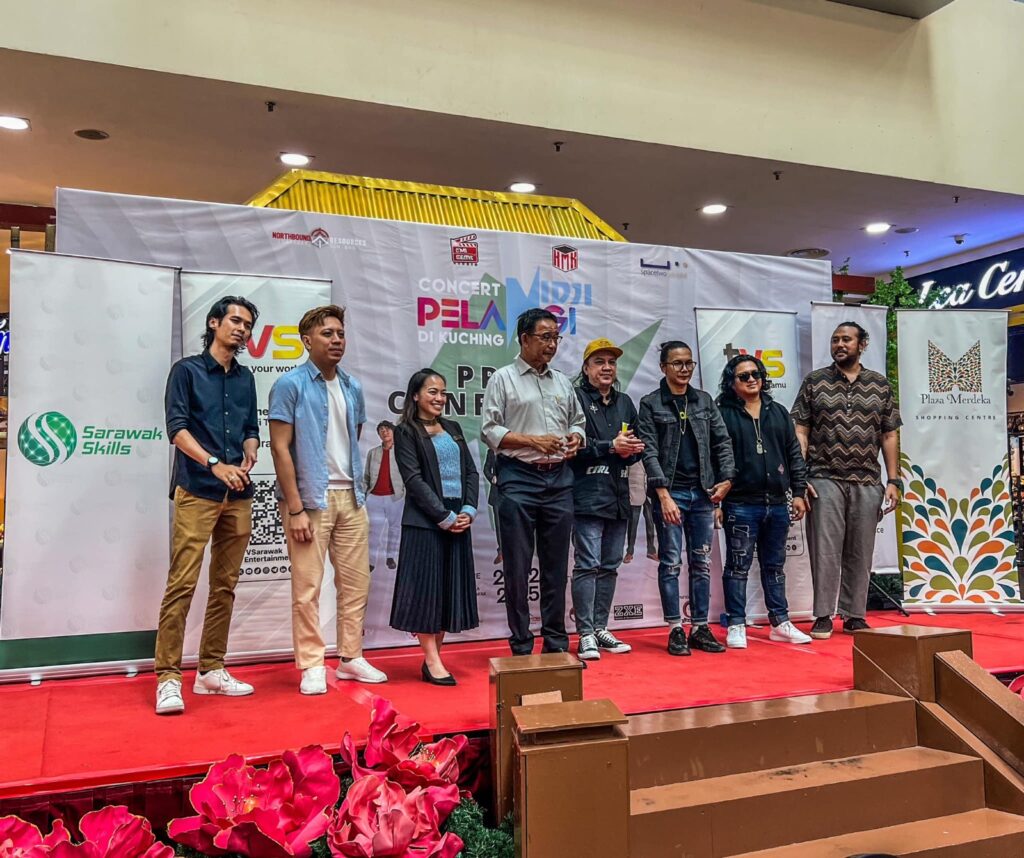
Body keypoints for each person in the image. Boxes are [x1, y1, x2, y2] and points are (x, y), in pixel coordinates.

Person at [268, 304, 386, 695]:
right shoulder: (290, 385)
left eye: (340, 334)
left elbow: (354, 434)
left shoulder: (352, 386)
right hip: (309, 500)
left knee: (356, 583)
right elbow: (280, 448)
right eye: (327, 334)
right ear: (307, 340)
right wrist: (296, 508)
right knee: (307, 588)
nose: (336, 340)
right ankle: (312, 663)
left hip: (350, 497)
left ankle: (350, 657)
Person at [155, 296, 260, 715]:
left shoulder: (246, 377)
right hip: (198, 488)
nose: (241, 328)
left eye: (247, 324)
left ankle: (211, 669)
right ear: (214, 323)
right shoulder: (186, 371)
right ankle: (167, 677)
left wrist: (251, 449)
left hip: (239, 493)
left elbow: (250, 426)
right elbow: (176, 430)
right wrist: (215, 464)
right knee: (182, 583)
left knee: (225, 585)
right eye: (235, 320)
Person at [481, 308, 586, 655]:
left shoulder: (562, 382)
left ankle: (556, 644)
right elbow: (489, 430)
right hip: (518, 479)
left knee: (556, 568)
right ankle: (522, 645)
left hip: (559, 480)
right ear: (524, 339)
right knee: (517, 567)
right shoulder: (503, 379)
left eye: (556, 337)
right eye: (545, 337)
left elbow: (578, 421)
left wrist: (576, 437)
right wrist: (532, 441)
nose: (552, 344)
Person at [791, 322, 901, 639]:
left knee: (861, 551)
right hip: (823, 477)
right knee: (824, 551)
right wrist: (800, 476)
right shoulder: (815, 381)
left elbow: (889, 434)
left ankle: (854, 615)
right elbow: (800, 430)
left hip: (867, 479)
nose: (839, 344)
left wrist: (894, 480)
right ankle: (823, 615)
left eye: (846, 340)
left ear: (861, 345)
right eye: (835, 340)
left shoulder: (879, 385)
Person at [637, 340, 735, 656]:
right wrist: (662, 494)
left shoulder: (704, 401)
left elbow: (722, 442)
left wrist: (727, 480)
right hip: (671, 493)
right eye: (677, 363)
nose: (684, 369)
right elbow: (649, 451)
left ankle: (700, 627)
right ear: (663, 367)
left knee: (701, 563)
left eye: (689, 363)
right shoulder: (650, 403)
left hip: (703, 493)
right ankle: (675, 628)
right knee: (670, 563)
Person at [716, 355, 812, 647]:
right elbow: (715, 458)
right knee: (737, 566)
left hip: (778, 502)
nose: (751, 380)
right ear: (732, 382)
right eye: (743, 376)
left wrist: (798, 492)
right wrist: (716, 502)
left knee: (775, 566)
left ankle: (780, 622)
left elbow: (793, 453)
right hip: (740, 502)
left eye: (755, 374)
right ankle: (736, 623)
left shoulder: (778, 411)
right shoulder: (722, 413)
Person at [390, 369, 480, 684]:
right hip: (425, 522)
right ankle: (432, 659)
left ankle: (434, 660)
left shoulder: (453, 427)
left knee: (446, 591)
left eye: (443, 392)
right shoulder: (405, 431)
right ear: (415, 395)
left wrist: (468, 509)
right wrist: (443, 516)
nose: (440, 398)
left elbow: (471, 472)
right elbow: (413, 480)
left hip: (459, 519)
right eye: (432, 392)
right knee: (426, 592)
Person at [570, 338, 644, 660]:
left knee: (610, 566)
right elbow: (571, 447)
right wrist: (611, 447)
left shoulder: (625, 402)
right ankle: (585, 632)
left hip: (619, 496)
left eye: (611, 362)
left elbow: (634, 446)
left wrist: (631, 450)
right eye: (599, 362)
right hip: (586, 495)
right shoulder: (574, 398)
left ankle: (600, 627)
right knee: (587, 564)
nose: (607, 367)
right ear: (586, 368)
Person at [364, 420, 404, 572]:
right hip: (374, 498)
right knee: (374, 531)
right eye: (381, 430)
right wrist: (364, 495)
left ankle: (390, 557)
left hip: (395, 497)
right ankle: (371, 561)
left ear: (393, 432)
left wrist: (404, 492)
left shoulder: (402, 452)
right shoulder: (373, 453)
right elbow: (366, 476)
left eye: (387, 429)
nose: (384, 431)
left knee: (394, 529)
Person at [625, 463, 657, 564]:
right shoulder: (632, 457)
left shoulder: (650, 458)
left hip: (649, 494)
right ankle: (629, 552)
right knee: (633, 524)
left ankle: (651, 550)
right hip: (635, 493)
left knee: (651, 523)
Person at [483, 449, 503, 565]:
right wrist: (492, 478)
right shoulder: (491, 451)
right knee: (499, 524)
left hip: (513, 492)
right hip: (496, 492)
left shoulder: (513, 449)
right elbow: (486, 469)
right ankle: (501, 551)